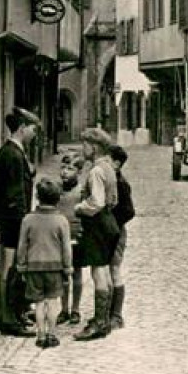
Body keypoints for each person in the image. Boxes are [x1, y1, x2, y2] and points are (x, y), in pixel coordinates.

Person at [0, 107, 40, 336]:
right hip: (13, 222)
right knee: (9, 268)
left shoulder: (5, 151)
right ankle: (8, 319)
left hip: (5, 220)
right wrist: (23, 223)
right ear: (22, 128)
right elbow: (16, 196)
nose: (35, 133)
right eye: (33, 129)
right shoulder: (15, 155)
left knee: (3, 266)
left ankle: (0, 315)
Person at [73, 127, 120, 341]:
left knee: (98, 272)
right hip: (110, 222)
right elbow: (113, 200)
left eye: (85, 144)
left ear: (94, 147)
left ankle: (100, 323)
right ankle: (104, 319)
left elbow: (97, 202)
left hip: (98, 224)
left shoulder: (96, 171)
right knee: (105, 272)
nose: (82, 148)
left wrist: (79, 207)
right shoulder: (109, 168)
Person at [16, 178, 72, 349]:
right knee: (53, 301)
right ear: (58, 198)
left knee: (39, 303)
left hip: (34, 267)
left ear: (37, 197)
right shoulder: (61, 221)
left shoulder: (28, 220)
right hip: (55, 268)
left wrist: (21, 265)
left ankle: (40, 334)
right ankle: (52, 333)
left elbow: (22, 245)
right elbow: (66, 248)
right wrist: (67, 267)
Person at [55, 158, 86, 326]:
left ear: (79, 172)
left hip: (76, 235)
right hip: (60, 237)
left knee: (77, 273)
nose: (65, 172)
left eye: (70, 168)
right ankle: (64, 308)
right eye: (63, 167)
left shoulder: (81, 192)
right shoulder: (57, 190)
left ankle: (75, 309)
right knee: (63, 274)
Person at [108, 144, 135, 331]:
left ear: (116, 163)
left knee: (115, 270)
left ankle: (116, 316)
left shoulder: (121, 184)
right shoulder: (110, 180)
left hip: (116, 232)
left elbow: (129, 211)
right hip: (109, 231)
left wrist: (113, 223)